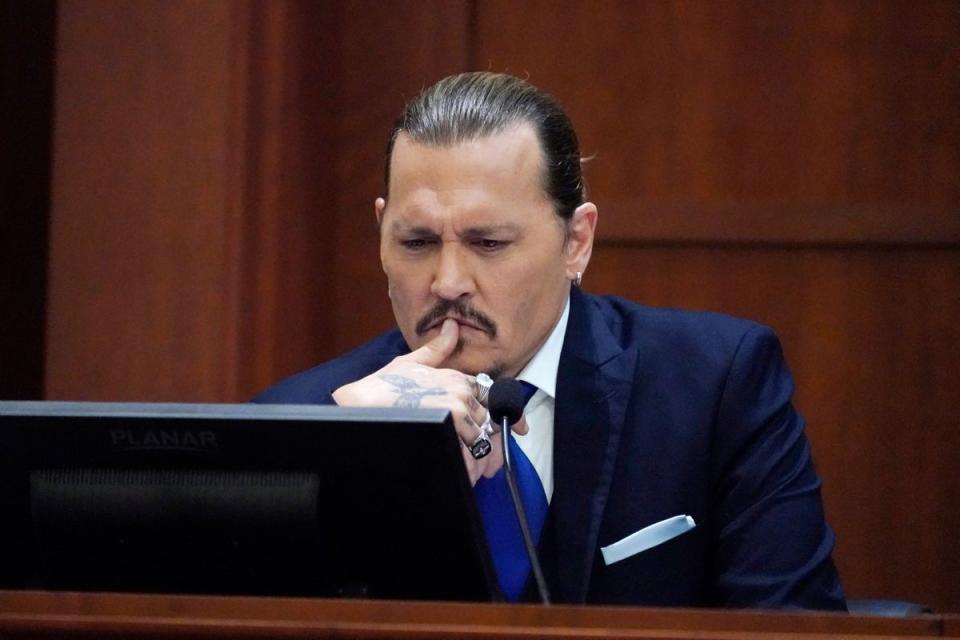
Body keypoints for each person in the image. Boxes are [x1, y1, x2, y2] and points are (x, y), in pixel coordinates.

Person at [255, 72, 846, 609]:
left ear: (576, 242)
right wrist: (360, 467)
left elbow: (795, 624)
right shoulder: (295, 423)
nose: (448, 282)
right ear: (381, 231)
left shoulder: (717, 390)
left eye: (488, 243)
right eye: (416, 243)